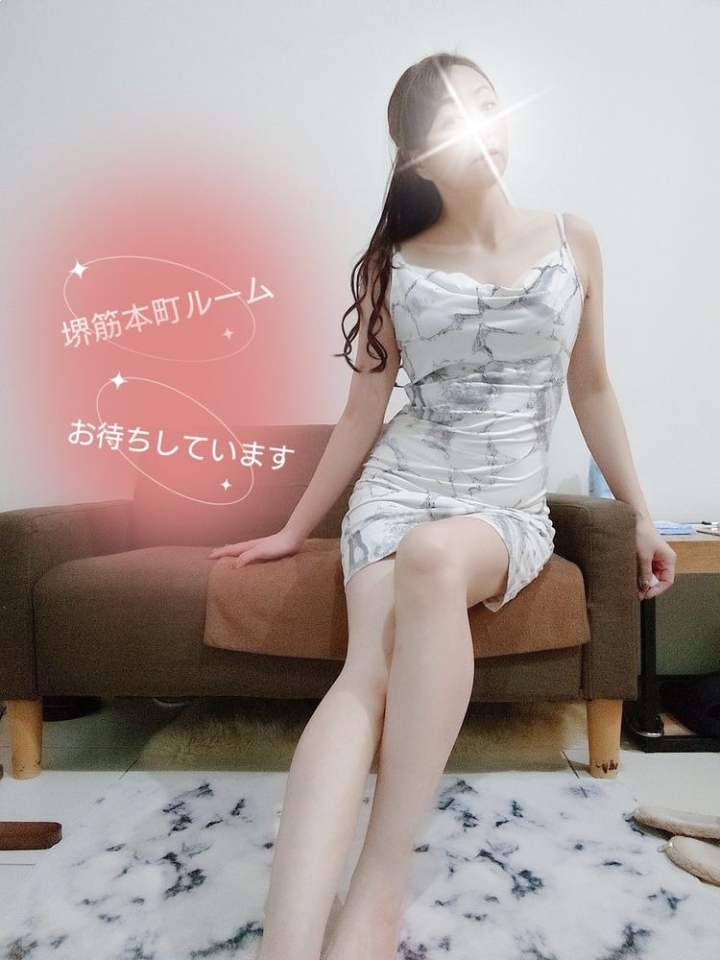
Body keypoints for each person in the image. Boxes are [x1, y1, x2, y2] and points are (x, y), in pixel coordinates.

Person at [209, 50, 677, 960]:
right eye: (450, 119)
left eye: (487, 104)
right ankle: (285, 944)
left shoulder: (573, 239)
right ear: (417, 156)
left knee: (435, 558)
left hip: (501, 510)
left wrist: (642, 515)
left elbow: (591, 388)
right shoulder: (393, 265)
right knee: (365, 676)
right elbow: (362, 414)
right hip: (397, 490)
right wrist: (293, 529)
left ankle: (378, 893)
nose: (479, 126)